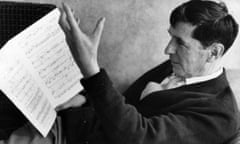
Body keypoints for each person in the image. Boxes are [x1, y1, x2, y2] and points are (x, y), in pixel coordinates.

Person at [58, 0, 240, 144]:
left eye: (181, 43)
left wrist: (90, 68)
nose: (168, 50)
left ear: (214, 52)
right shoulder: (178, 64)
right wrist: (86, 99)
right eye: (171, 37)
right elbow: (127, 104)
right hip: (78, 125)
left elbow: (137, 137)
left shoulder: (220, 117)